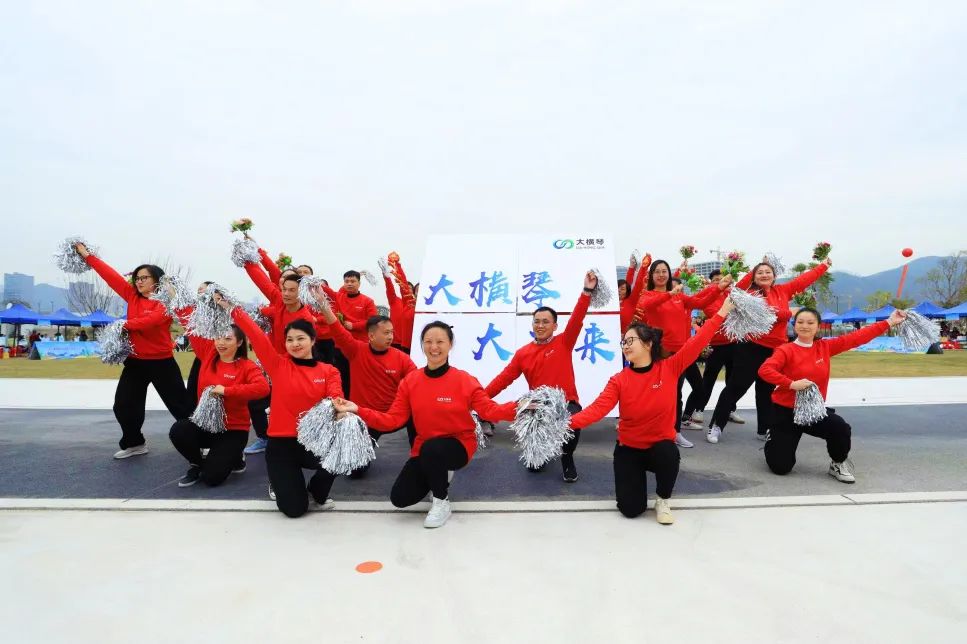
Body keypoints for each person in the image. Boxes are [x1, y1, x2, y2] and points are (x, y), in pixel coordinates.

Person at [333, 321, 517, 529]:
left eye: (440, 342)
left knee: (433, 449)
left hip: (459, 444)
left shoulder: (464, 380)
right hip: (426, 448)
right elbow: (392, 420)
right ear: (422, 345)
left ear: (450, 345)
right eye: (428, 342)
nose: (434, 347)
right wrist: (357, 409)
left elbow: (490, 410)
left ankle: (441, 501)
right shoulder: (411, 381)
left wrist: (520, 408)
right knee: (400, 498)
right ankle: (439, 474)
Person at [570, 297, 735, 524]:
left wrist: (722, 311)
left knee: (668, 452)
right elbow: (597, 410)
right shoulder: (619, 380)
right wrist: (566, 423)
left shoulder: (670, 368)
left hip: (659, 447)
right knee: (630, 510)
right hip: (629, 449)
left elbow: (699, 341)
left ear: (648, 344)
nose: (626, 345)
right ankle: (635, 486)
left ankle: (663, 499)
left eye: (631, 340)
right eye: (623, 342)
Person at [227, 300, 345, 518]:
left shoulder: (329, 371)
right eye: (290, 340)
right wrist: (232, 308)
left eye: (301, 338)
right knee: (294, 510)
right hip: (282, 445)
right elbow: (256, 335)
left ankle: (316, 492)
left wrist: (341, 409)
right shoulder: (278, 365)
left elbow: (336, 396)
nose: (295, 344)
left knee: (343, 450)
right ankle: (281, 480)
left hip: (314, 442)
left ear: (313, 340)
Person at [758, 308, 906, 482]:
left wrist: (889, 322)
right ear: (794, 325)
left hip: (813, 411)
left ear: (818, 326)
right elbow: (765, 370)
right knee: (780, 467)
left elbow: (857, 337)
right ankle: (773, 435)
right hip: (785, 412)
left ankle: (838, 463)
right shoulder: (785, 350)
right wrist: (791, 384)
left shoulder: (824, 347)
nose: (805, 326)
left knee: (840, 428)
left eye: (810, 322)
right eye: (800, 322)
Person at [73, 242, 190, 459]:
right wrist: (87, 256)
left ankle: (202, 441)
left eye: (144, 277)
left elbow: (150, 321)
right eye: (137, 278)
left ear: (157, 281)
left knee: (181, 406)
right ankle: (135, 443)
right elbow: (110, 276)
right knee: (123, 405)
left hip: (161, 362)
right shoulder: (132, 295)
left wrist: (122, 325)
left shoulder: (165, 302)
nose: (139, 281)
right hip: (135, 362)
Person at [484, 271, 597, 482]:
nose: (540, 325)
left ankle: (567, 457)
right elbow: (503, 379)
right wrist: (479, 398)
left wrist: (586, 291)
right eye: (537, 321)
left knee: (574, 421)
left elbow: (577, 318)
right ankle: (539, 452)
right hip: (537, 404)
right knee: (535, 467)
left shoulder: (564, 342)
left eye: (546, 322)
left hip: (566, 402)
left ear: (555, 326)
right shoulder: (523, 353)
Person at [706, 257, 831, 443]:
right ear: (754, 277)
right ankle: (716, 425)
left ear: (774, 276)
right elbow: (768, 313)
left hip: (776, 350)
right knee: (736, 388)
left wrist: (823, 266)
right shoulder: (750, 294)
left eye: (768, 272)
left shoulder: (783, 290)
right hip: (751, 348)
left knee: (766, 392)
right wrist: (790, 313)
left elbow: (803, 280)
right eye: (760, 272)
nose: (764, 275)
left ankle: (763, 429)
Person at [311, 290, 417, 478]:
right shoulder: (356, 350)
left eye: (392, 332)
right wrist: (323, 305)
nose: (391, 337)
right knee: (356, 471)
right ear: (371, 336)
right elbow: (337, 328)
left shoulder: (402, 358)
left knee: (418, 412)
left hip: (393, 415)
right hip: (365, 417)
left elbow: (418, 383)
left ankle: (419, 458)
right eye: (386, 333)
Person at [169, 300, 269, 487]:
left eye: (228, 339)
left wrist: (227, 391)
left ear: (239, 342)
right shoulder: (208, 354)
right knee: (179, 430)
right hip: (206, 425)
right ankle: (197, 463)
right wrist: (175, 295)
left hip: (233, 430)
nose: (221, 343)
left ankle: (235, 457)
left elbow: (262, 388)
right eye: (218, 338)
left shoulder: (246, 366)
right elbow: (189, 322)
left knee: (212, 478)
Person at [635, 259, 731, 448]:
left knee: (675, 394)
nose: (661, 275)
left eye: (664, 271)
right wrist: (669, 293)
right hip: (660, 353)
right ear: (651, 276)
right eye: (657, 271)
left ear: (669, 274)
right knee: (656, 393)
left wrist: (718, 288)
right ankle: (650, 430)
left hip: (680, 354)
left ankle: (675, 432)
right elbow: (648, 305)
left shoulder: (679, 297)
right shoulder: (648, 295)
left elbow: (700, 301)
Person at [239, 259, 318, 456]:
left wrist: (275, 364)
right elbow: (263, 281)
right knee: (256, 401)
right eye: (284, 289)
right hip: (274, 364)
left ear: (301, 292)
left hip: (294, 368)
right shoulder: (280, 303)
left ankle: (305, 440)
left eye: (292, 290)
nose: (287, 293)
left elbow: (298, 352)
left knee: (289, 407)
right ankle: (265, 438)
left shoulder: (304, 319)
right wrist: (248, 258)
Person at [681, 269, 745, 427]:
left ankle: (730, 409)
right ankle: (699, 410)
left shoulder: (732, 294)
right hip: (716, 345)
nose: (720, 282)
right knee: (708, 380)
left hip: (734, 343)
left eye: (723, 279)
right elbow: (717, 315)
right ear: (711, 282)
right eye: (716, 280)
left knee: (732, 380)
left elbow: (742, 313)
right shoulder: (709, 297)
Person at [334, 270, 378, 396]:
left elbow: (373, 321)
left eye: (353, 281)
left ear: (359, 283)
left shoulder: (367, 301)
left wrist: (354, 326)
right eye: (347, 281)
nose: (349, 284)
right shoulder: (339, 297)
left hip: (359, 345)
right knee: (342, 375)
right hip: (341, 345)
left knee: (359, 376)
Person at [382, 255, 417, 354]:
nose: (408, 290)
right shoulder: (395, 300)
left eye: (410, 289)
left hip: (412, 344)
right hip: (395, 342)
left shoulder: (418, 307)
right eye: (407, 288)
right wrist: (387, 276)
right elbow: (394, 287)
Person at [619, 253, 650, 334]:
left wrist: (643, 267)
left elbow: (637, 283)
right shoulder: (610, 304)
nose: (619, 291)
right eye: (617, 288)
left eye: (622, 289)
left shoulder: (630, 301)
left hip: (630, 337)